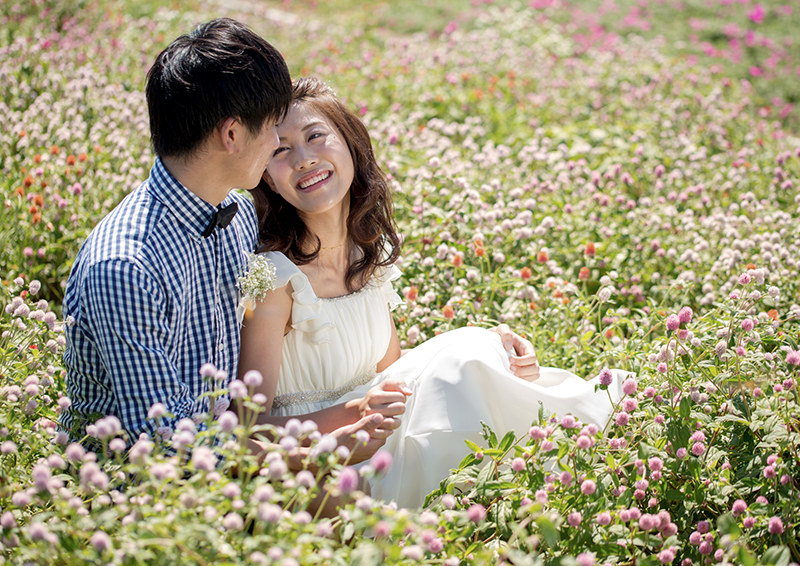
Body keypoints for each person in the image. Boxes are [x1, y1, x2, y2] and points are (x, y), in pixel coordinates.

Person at [238, 77, 626, 508]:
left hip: (379, 432)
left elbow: (394, 376)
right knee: (469, 358)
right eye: (281, 149)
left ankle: (578, 469)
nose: (304, 159)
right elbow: (245, 430)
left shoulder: (367, 254)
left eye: (315, 136)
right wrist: (353, 414)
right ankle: (580, 466)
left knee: (479, 351)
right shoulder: (275, 279)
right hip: (318, 465)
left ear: (351, 145)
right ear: (268, 179)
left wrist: (495, 352)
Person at [58, 20, 385, 453]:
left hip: (239, 464)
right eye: (273, 129)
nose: (276, 145)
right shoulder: (125, 267)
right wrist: (305, 456)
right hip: (137, 498)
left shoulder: (239, 218)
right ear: (232, 134)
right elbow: (164, 445)